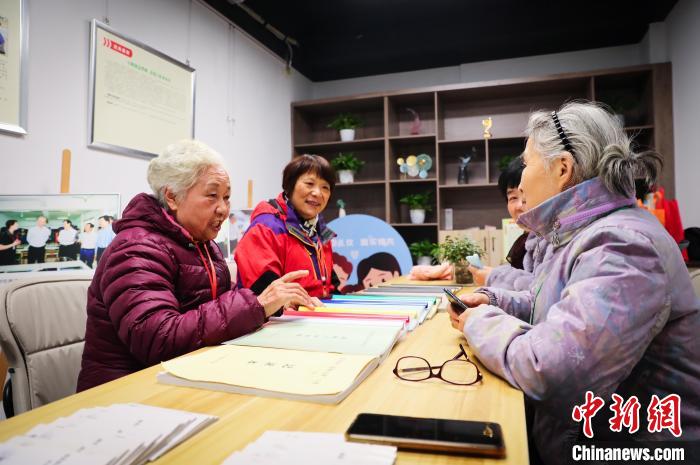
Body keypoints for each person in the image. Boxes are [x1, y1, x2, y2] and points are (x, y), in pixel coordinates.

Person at [448, 102, 700, 463]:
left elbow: (550, 371)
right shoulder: (586, 233)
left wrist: (478, 322)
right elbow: (544, 301)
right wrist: (490, 300)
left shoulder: (623, 245)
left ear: (562, 168)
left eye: (528, 163)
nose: (519, 182)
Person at [77, 140, 316, 391]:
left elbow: (223, 303)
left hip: (184, 378)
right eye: (212, 196)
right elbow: (159, 339)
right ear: (172, 196)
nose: (223, 209)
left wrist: (270, 302)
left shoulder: (201, 242)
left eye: (226, 197)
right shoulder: (136, 248)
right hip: (125, 392)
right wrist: (256, 305)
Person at [235, 154, 339, 299]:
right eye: (309, 184)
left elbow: (328, 284)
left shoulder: (320, 229)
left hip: (316, 313)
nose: (317, 193)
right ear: (290, 186)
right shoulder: (266, 226)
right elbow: (264, 292)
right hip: (278, 318)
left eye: (325, 187)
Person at [469, 157, 546, 290]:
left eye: (526, 194)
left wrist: (494, 277)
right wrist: (493, 274)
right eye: (513, 198)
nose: (519, 205)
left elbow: (542, 293)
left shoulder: (555, 239)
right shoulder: (525, 241)